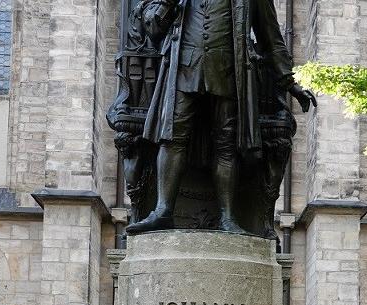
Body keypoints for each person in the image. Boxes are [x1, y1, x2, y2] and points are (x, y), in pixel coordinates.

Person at [128, 0, 315, 235]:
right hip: (182, 69)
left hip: (229, 72)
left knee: (226, 144)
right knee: (172, 137)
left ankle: (228, 218)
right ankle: (162, 211)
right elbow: (152, 30)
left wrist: (291, 83)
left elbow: (271, 39)